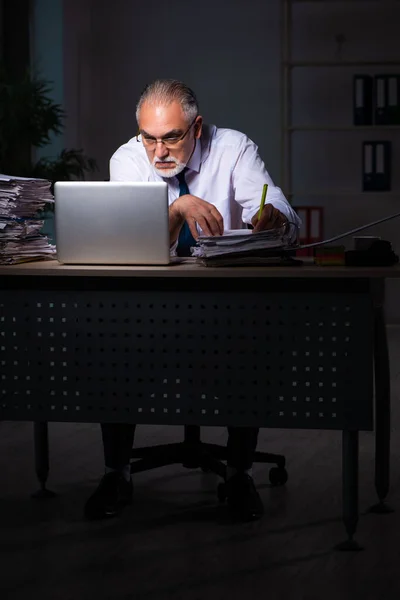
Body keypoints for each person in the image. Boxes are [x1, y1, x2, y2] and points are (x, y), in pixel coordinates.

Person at [84, 79, 301, 523]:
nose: (159, 151)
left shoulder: (233, 148)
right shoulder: (127, 158)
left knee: (250, 350)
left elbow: (279, 208)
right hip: (147, 310)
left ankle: (238, 473)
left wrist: (276, 216)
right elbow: (129, 241)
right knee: (110, 347)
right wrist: (178, 207)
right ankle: (116, 473)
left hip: (226, 306)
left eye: (172, 137)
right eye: (150, 138)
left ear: (197, 127)